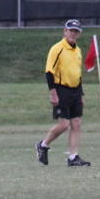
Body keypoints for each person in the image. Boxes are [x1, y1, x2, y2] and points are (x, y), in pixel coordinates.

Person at [36, 19, 91, 169]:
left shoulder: (78, 51)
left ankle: (73, 157)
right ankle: (43, 145)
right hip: (61, 90)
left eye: (76, 31)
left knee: (76, 123)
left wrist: (81, 94)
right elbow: (49, 72)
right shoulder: (57, 48)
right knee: (63, 124)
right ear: (65, 31)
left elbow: (77, 74)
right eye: (71, 30)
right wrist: (53, 93)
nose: (73, 34)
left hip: (75, 91)